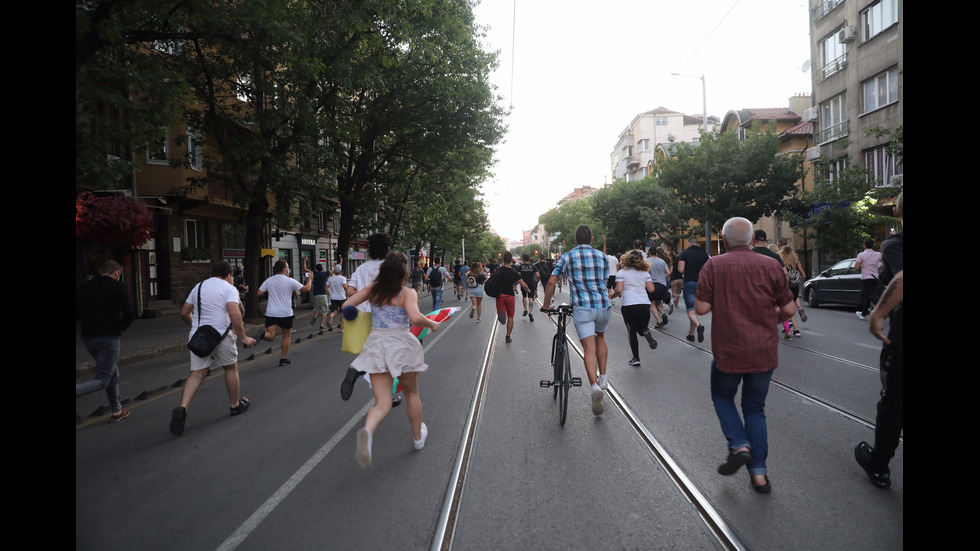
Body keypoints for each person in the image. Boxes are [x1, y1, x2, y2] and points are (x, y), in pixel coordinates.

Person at [695, 217, 796, 493]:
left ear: (724, 241)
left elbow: (702, 309)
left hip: (728, 350)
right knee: (755, 409)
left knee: (722, 396)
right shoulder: (772, 265)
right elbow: (789, 311)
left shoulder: (713, 265)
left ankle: (739, 444)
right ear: (752, 240)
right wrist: (767, 318)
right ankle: (760, 475)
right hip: (763, 350)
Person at [344, 251, 440, 469]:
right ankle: (417, 439)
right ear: (404, 272)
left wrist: (353, 316)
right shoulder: (407, 293)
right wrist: (432, 324)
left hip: (377, 345)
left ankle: (367, 432)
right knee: (412, 394)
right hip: (401, 345)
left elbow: (347, 305)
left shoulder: (372, 291)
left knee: (383, 403)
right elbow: (415, 318)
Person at [170, 261, 257, 436]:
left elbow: (184, 312)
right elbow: (234, 314)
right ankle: (234, 405)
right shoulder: (229, 288)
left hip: (199, 337)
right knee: (230, 368)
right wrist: (244, 337)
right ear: (229, 275)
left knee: (197, 373)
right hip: (221, 336)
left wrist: (196, 329)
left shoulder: (199, 286)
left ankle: (182, 408)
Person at [855, 190, 903, 489]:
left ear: (896, 212)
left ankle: (879, 465)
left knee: (893, 405)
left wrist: (877, 314)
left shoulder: (896, 244)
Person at [541, 225, 611, 415]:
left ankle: (594, 386)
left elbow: (551, 282)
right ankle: (603, 377)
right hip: (602, 305)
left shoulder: (567, 256)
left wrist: (547, 304)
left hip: (583, 308)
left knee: (589, 348)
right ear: (592, 238)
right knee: (600, 337)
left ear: (574, 240)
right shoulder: (602, 256)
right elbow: (605, 282)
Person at [76, 259, 135, 422]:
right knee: (103, 379)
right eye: (119, 274)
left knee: (112, 371)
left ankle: (117, 410)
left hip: (88, 338)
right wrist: (123, 325)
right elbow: (129, 313)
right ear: (116, 272)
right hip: (108, 337)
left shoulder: (84, 287)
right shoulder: (118, 287)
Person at [341, 233, 392, 401]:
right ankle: (359, 370)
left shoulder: (361, 268)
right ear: (387, 249)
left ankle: (384, 397)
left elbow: (349, 291)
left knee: (375, 356)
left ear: (369, 251)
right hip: (384, 318)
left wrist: (362, 298)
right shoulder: (390, 267)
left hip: (363, 318)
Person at [255, 259, 313, 366]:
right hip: (286, 313)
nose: (288, 268)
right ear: (285, 269)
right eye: (287, 266)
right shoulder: (290, 280)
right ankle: (283, 358)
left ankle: (263, 334)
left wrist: (271, 292)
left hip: (271, 312)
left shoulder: (269, 280)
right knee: (286, 336)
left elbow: (259, 292)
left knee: (270, 336)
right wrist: (309, 279)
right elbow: (306, 289)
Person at [611, 250, 658, 366]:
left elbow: (619, 290)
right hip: (644, 304)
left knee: (631, 330)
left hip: (629, 305)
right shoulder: (645, 273)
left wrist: (612, 295)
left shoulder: (621, 273)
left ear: (626, 260)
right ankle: (645, 332)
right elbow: (651, 289)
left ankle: (636, 358)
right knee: (642, 329)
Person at [494, 251, 532, 344]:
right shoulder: (513, 272)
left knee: (501, 309)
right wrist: (528, 291)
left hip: (500, 295)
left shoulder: (498, 270)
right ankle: (508, 336)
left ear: (503, 259)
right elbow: (523, 284)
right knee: (511, 316)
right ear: (511, 260)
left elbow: (491, 281)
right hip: (510, 295)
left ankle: (500, 313)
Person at [677, 237, 710, 343]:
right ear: (697, 244)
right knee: (694, 310)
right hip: (702, 284)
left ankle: (699, 326)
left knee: (691, 310)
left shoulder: (684, 254)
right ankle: (691, 334)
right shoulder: (704, 254)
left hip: (690, 283)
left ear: (689, 244)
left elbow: (681, 270)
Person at [780, 245, 808, 336]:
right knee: (792, 306)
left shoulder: (782, 262)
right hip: (795, 287)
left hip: (787, 287)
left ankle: (792, 327)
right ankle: (796, 330)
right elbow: (804, 275)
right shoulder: (796, 262)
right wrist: (797, 277)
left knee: (787, 308)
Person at [855, 239, 882, 320]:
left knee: (870, 295)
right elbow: (884, 263)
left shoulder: (861, 255)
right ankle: (863, 314)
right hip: (875, 277)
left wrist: (861, 266)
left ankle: (881, 308)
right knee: (867, 295)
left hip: (866, 278)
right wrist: (878, 268)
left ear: (864, 245)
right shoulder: (878, 254)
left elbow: (856, 267)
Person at [647, 246, 672, 329]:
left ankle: (659, 321)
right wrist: (662, 277)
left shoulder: (647, 261)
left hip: (652, 285)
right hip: (662, 285)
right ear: (656, 253)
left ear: (649, 253)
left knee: (652, 304)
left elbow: (645, 273)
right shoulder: (662, 261)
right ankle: (663, 314)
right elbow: (668, 272)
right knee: (658, 302)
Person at [325, 264, 348, 331]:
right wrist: (348, 292)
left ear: (334, 271)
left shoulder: (330, 279)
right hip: (342, 297)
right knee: (342, 312)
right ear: (340, 271)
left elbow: (326, 287)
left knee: (334, 311)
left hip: (333, 298)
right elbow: (345, 287)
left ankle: (331, 316)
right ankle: (342, 328)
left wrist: (330, 293)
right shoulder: (342, 278)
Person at [309, 263, 330, 330]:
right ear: (322, 268)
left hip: (315, 294)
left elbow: (305, 269)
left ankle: (315, 316)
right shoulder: (325, 274)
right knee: (324, 310)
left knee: (316, 308)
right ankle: (322, 324)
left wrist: (305, 261)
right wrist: (340, 263)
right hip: (323, 294)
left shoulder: (314, 273)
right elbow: (335, 270)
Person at [519, 253, 539, 321]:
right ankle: (530, 312)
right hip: (531, 283)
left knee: (524, 297)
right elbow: (538, 275)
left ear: (523, 259)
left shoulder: (520, 266)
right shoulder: (532, 266)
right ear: (529, 259)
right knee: (530, 298)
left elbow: (518, 275)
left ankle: (525, 309)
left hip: (523, 284)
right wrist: (537, 281)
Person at [669, 250, 683, 314]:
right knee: (678, 292)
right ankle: (677, 304)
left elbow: (670, 272)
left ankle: (675, 298)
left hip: (674, 279)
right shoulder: (680, 264)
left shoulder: (672, 264)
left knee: (674, 293)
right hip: (681, 279)